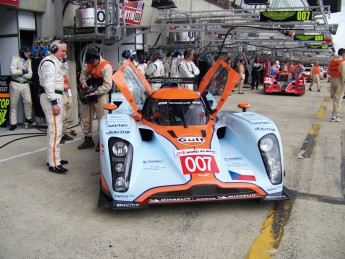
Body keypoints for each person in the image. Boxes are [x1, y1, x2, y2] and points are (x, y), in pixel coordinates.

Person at [38, 40, 68, 173]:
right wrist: (54, 103)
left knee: (56, 129)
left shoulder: (56, 62)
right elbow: (48, 84)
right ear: (55, 49)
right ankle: (54, 163)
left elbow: (64, 73)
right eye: (63, 51)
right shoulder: (49, 62)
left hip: (56, 96)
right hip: (52, 97)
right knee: (55, 130)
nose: (64, 53)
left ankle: (54, 158)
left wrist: (64, 60)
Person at [78, 48, 113, 151]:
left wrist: (96, 92)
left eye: (92, 61)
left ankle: (102, 141)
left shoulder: (106, 67)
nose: (91, 63)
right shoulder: (90, 64)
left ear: (97, 58)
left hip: (101, 93)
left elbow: (108, 85)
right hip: (90, 92)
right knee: (86, 116)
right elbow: (83, 73)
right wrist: (83, 81)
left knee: (102, 118)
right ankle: (88, 139)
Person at [9, 46, 35, 131]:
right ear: (23, 52)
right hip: (15, 83)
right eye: (27, 52)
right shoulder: (15, 59)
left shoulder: (29, 60)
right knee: (13, 104)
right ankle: (13, 123)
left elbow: (30, 75)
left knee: (28, 101)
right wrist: (23, 72)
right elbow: (13, 72)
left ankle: (28, 119)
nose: (29, 54)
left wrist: (20, 74)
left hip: (25, 84)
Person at [327, 48, 345, 122]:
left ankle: (335, 114)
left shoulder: (331, 61)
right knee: (339, 99)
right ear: (343, 54)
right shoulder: (343, 62)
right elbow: (344, 74)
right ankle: (335, 115)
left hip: (332, 80)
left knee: (335, 98)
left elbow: (328, 72)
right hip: (339, 81)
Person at [60, 54, 74, 144]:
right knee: (62, 116)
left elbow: (66, 70)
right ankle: (59, 136)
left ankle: (64, 133)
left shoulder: (64, 66)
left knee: (67, 115)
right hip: (60, 92)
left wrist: (64, 60)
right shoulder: (53, 65)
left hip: (67, 91)